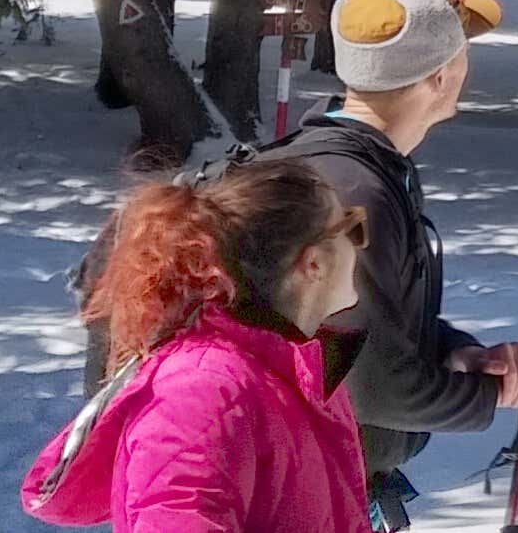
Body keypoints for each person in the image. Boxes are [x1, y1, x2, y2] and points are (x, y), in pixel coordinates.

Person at [256, 0, 518, 531]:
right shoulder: (351, 191)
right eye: (464, 46)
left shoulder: (335, 165)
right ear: (442, 74)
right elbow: (371, 384)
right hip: (295, 500)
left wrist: (459, 354)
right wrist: (487, 394)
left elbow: (356, 331)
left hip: (304, 484)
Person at [24, 158, 373, 533]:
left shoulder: (295, 373)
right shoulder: (201, 394)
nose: (361, 244)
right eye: (352, 228)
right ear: (314, 263)